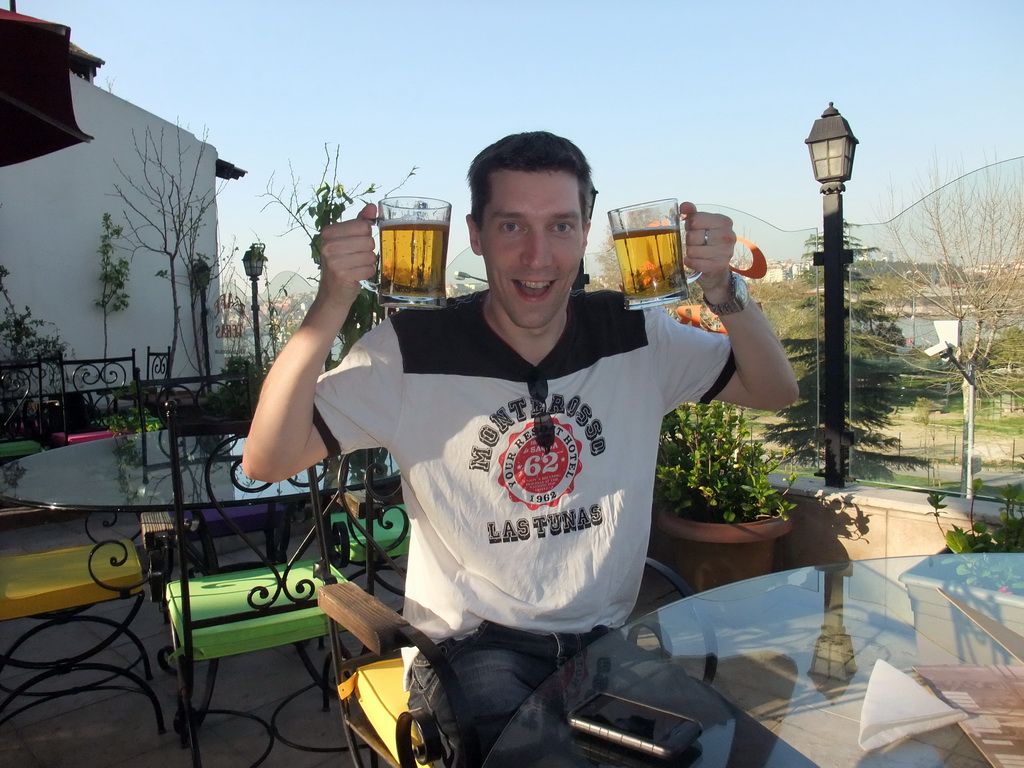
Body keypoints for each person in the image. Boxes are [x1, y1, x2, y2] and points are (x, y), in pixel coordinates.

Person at [242, 130, 798, 764]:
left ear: (586, 231)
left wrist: (723, 288)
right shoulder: (414, 349)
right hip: (471, 651)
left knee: (742, 755)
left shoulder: (635, 334)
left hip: (605, 646)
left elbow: (773, 389)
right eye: (512, 226)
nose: (538, 255)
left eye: (560, 226)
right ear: (475, 235)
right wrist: (332, 299)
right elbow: (267, 458)